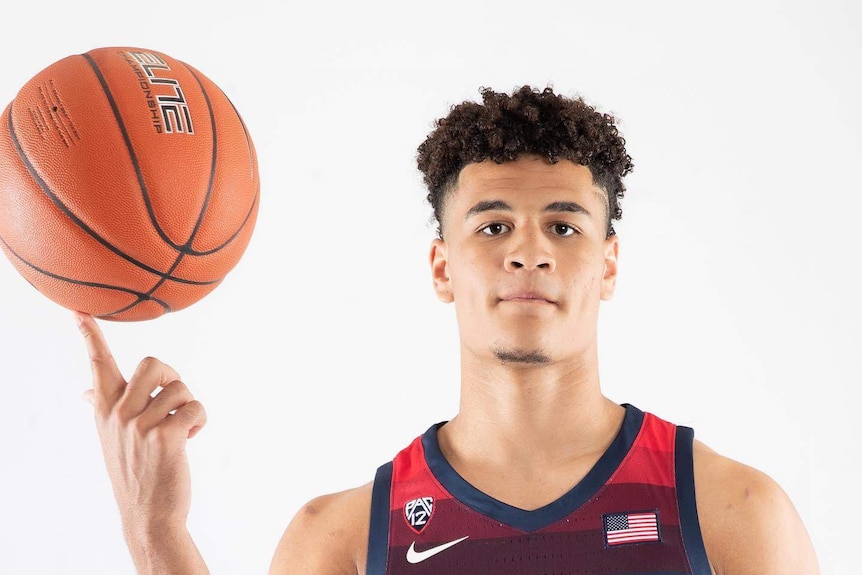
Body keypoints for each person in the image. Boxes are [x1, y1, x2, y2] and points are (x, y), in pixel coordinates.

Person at [78, 85, 820, 575]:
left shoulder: (727, 513)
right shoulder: (339, 541)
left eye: (564, 225)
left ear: (609, 264)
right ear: (442, 266)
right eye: (493, 223)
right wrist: (155, 529)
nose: (528, 249)